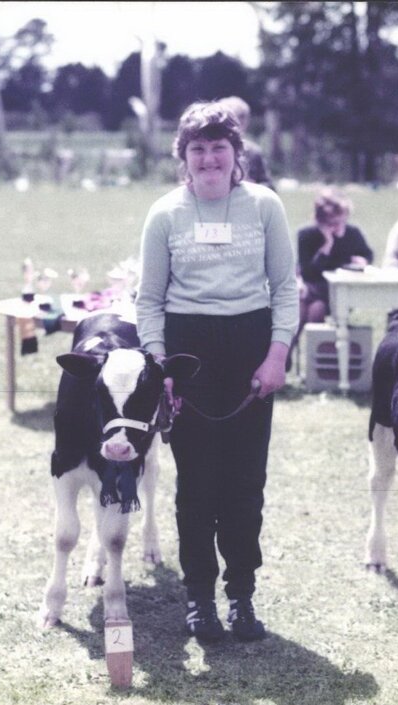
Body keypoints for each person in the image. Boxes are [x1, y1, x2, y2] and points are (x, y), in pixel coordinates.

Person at [136, 101, 297, 642]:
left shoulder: (265, 206)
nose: (208, 159)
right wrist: (163, 368)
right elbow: (149, 301)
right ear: (183, 157)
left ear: (236, 155)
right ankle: (200, 599)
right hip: (189, 353)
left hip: (251, 347)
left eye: (218, 149)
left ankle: (242, 597)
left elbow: (285, 291)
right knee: (197, 484)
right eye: (197, 150)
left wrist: (276, 356)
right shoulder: (164, 213)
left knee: (245, 483)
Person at [290, 186, 374, 364]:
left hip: (338, 293)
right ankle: (296, 357)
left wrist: (362, 261)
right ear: (320, 220)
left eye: (340, 221)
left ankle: (316, 361)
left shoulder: (352, 233)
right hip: (312, 288)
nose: (336, 227)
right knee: (307, 308)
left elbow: (368, 254)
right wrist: (326, 247)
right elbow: (308, 272)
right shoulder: (306, 234)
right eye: (331, 223)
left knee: (311, 306)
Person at [218, 95, 274, 191]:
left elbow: (269, 186)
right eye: (233, 118)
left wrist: (253, 185)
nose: (239, 123)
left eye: (243, 117)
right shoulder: (210, 151)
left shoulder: (253, 152)